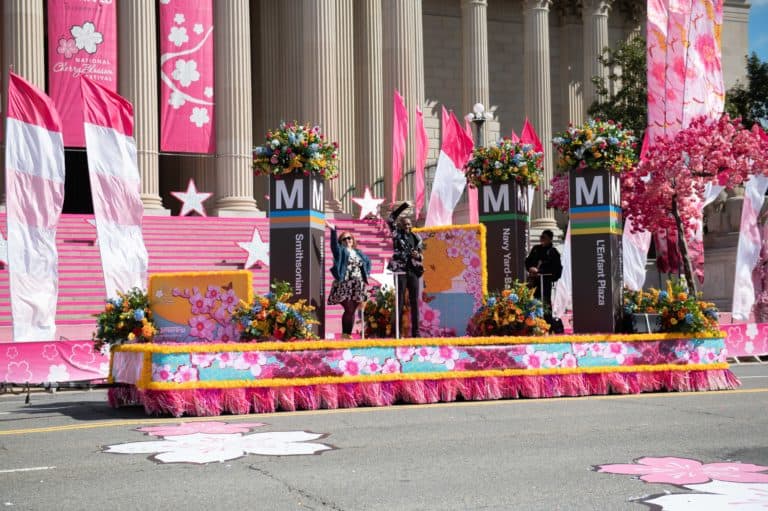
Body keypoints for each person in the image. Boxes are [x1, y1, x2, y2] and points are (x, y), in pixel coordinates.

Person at [327, 224, 372, 336]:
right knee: (348, 308)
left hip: (357, 284)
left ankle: (347, 336)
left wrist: (366, 274)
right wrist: (333, 230)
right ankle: (345, 334)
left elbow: (368, 262)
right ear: (341, 241)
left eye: (349, 238)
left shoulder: (359, 253)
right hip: (345, 283)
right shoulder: (341, 251)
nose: (347, 240)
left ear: (353, 240)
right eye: (344, 239)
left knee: (352, 310)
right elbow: (334, 246)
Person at [387, 202, 424, 337]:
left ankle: (416, 332)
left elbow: (421, 256)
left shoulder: (417, 238)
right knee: (400, 301)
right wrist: (403, 207)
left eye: (409, 224)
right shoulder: (397, 235)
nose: (407, 226)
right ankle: (396, 332)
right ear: (400, 225)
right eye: (405, 224)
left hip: (413, 271)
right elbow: (390, 219)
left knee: (414, 302)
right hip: (400, 271)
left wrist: (418, 255)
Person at [525, 229, 562, 310]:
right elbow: (528, 261)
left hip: (544, 282)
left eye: (544, 237)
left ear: (550, 239)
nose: (541, 239)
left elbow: (556, 269)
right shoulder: (536, 248)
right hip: (533, 281)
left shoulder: (553, 252)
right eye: (541, 237)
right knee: (531, 301)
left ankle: (546, 320)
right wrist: (530, 268)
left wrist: (539, 271)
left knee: (545, 303)